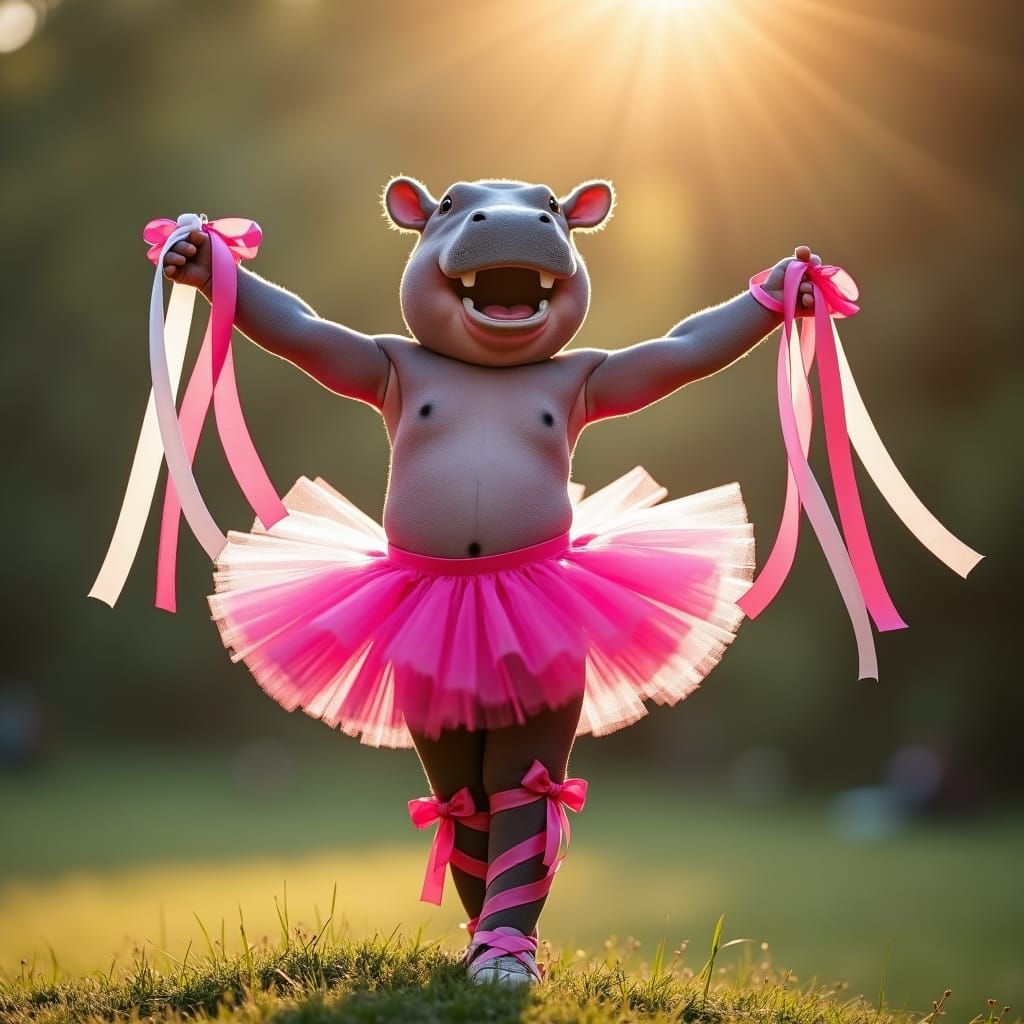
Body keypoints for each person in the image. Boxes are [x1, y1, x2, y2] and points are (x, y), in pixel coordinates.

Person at [162, 176, 818, 986]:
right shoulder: (397, 368)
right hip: (419, 605)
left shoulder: (573, 380)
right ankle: (490, 935)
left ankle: (511, 942)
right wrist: (221, 275)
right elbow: (300, 329)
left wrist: (765, 299)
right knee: (460, 791)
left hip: (541, 600)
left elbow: (683, 350)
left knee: (527, 779)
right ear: (418, 232)